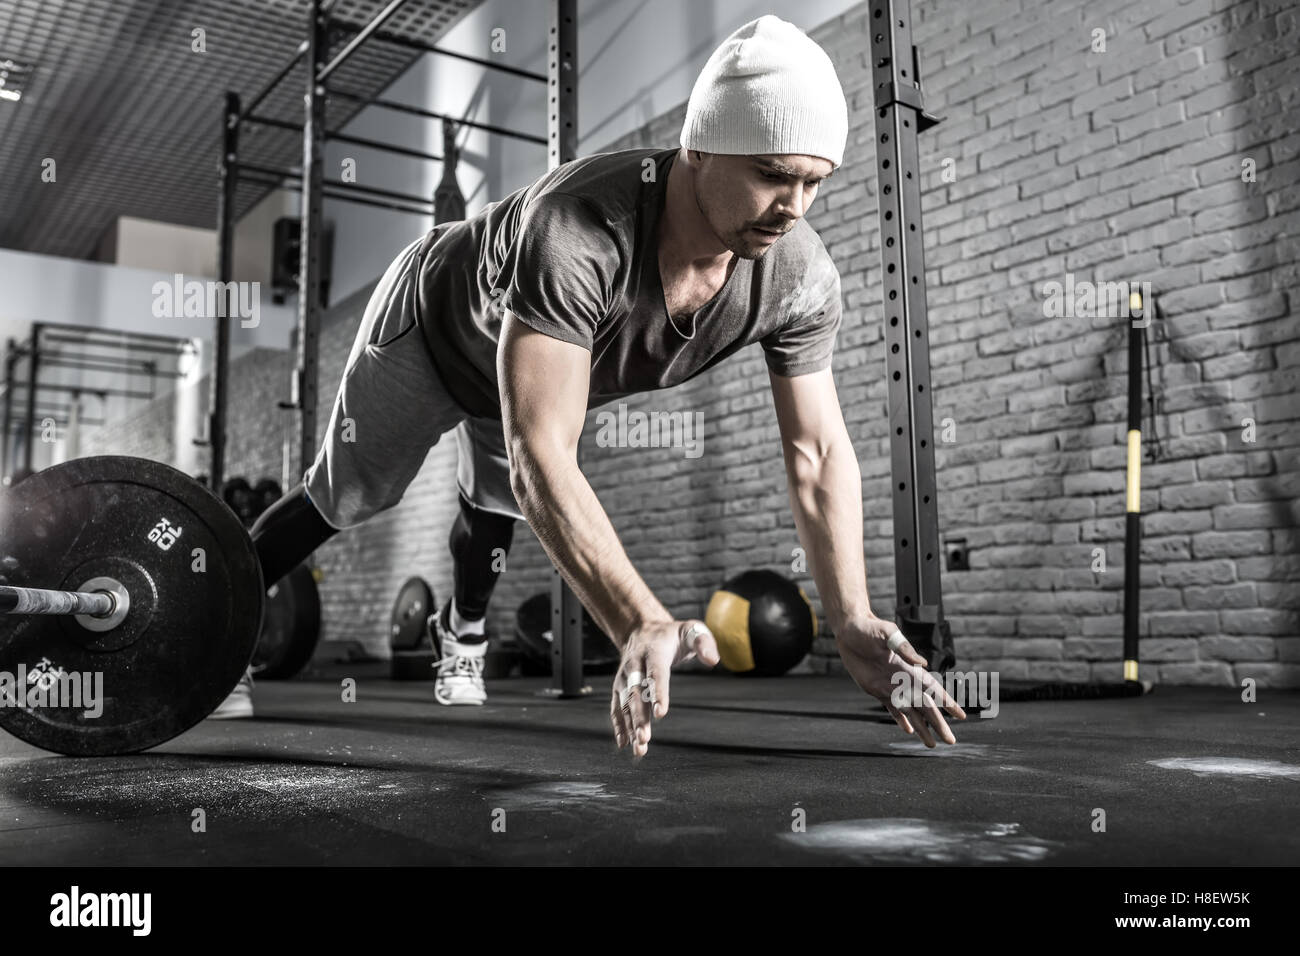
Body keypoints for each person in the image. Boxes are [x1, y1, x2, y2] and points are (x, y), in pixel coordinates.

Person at [209, 14, 965, 754]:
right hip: (432, 326)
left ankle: (462, 632)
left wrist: (853, 615)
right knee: (347, 493)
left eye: (813, 183)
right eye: (772, 175)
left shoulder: (798, 277)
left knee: (495, 499)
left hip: (526, 365)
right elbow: (542, 449)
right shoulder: (578, 229)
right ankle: (218, 637)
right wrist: (639, 617)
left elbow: (819, 455)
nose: (792, 209)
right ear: (698, 147)